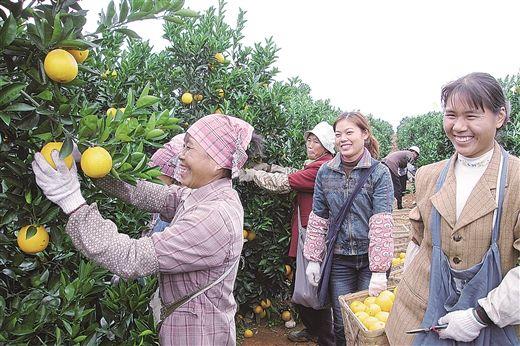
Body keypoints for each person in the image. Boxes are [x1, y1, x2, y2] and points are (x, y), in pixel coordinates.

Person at [32, 114, 263, 345]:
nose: (180, 155)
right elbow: (148, 194)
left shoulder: (213, 216)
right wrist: (88, 165)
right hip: (188, 325)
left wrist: (71, 199)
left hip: (197, 334)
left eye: (189, 147)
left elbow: (130, 258)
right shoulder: (206, 196)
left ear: (216, 161)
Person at [386, 72, 520, 345]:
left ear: (500, 116)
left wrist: (481, 315)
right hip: (421, 317)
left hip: (491, 321)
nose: (459, 126)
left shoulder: (515, 180)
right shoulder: (429, 176)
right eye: (451, 115)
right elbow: (418, 241)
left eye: (471, 116)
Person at [238, 121, 335, 345]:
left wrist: (253, 175)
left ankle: (326, 338)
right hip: (304, 230)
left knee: (314, 286)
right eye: (309, 140)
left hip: (313, 234)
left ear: (327, 146)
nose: (310, 144)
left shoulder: (323, 168)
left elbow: (285, 183)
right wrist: (270, 167)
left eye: (316, 141)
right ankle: (312, 329)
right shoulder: (317, 164)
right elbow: (296, 172)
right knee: (304, 283)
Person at [303, 112, 394, 346]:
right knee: (342, 323)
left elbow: (381, 221)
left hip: (368, 260)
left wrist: (379, 270)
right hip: (340, 260)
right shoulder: (326, 172)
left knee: (367, 321)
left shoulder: (379, 173)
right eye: (338, 134)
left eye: (349, 132)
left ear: (364, 134)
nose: (343, 138)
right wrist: (314, 258)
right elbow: (319, 217)